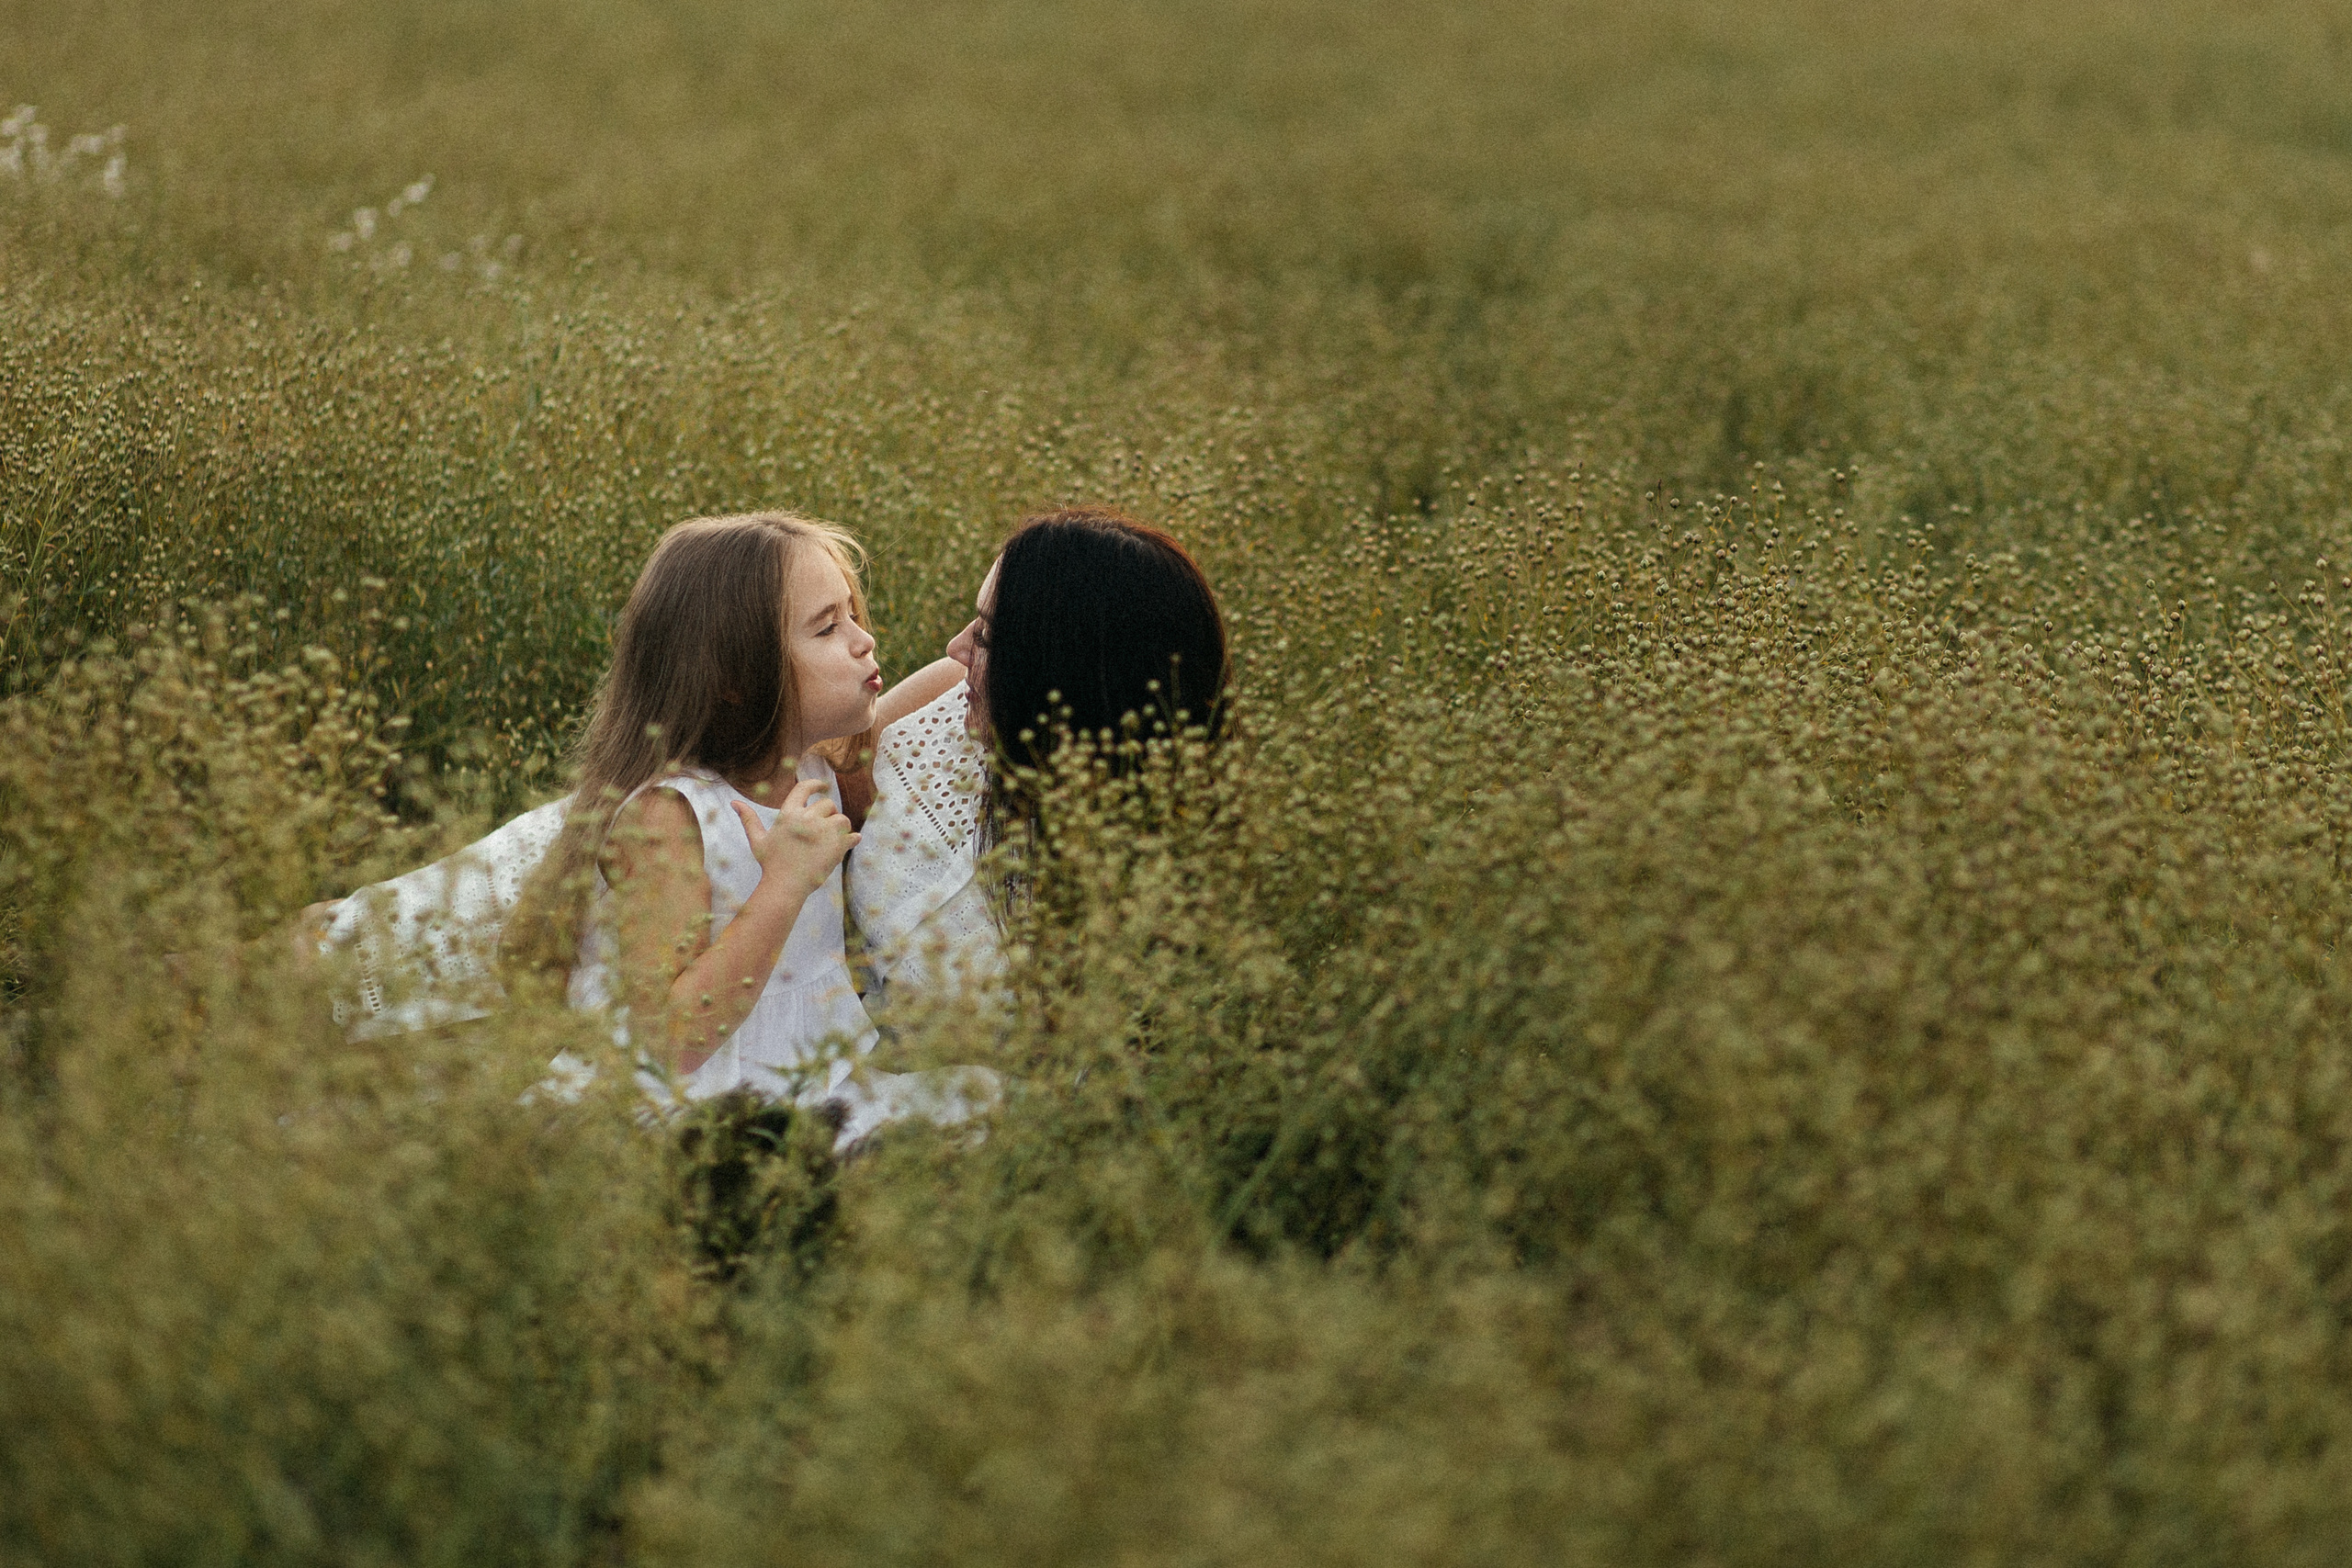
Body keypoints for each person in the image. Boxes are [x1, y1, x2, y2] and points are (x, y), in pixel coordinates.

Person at [317, 511, 978, 1143]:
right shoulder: (671, 817)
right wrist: (782, 885)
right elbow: (670, 1037)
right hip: (690, 1103)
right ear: (735, 678)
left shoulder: (821, 767)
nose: (863, 640)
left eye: (853, 614)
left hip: (815, 1079)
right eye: (827, 627)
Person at [847, 506, 1230, 1015]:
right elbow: (807, 786)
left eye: (987, 636)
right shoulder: (949, 695)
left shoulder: (1148, 885)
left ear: (1060, 677)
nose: (956, 647)